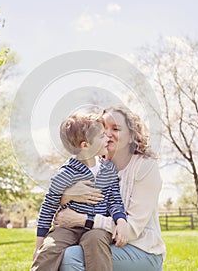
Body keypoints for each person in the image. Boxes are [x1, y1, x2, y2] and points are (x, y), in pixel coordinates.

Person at [55, 106, 167, 271]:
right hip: (100, 243)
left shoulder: (145, 167)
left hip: (142, 251)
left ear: (131, 136)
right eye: (103, 128)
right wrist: (66, 196)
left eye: (115, 129)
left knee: (72, 258)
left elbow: (130, 231)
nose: (107, 133)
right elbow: (61, 216)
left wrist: (83, 220)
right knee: (57, 252)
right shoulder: (93, 165)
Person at [30, 112, 128, 271]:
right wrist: (38, 245)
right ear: (85, 145)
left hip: (97, 228)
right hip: (66, 228)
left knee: (96, 241)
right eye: (102, 136)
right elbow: (48, 207)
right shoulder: (65, 174)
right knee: (48, 250)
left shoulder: (108, 169)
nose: (107, 139)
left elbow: (114, 201)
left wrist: (121, 221)